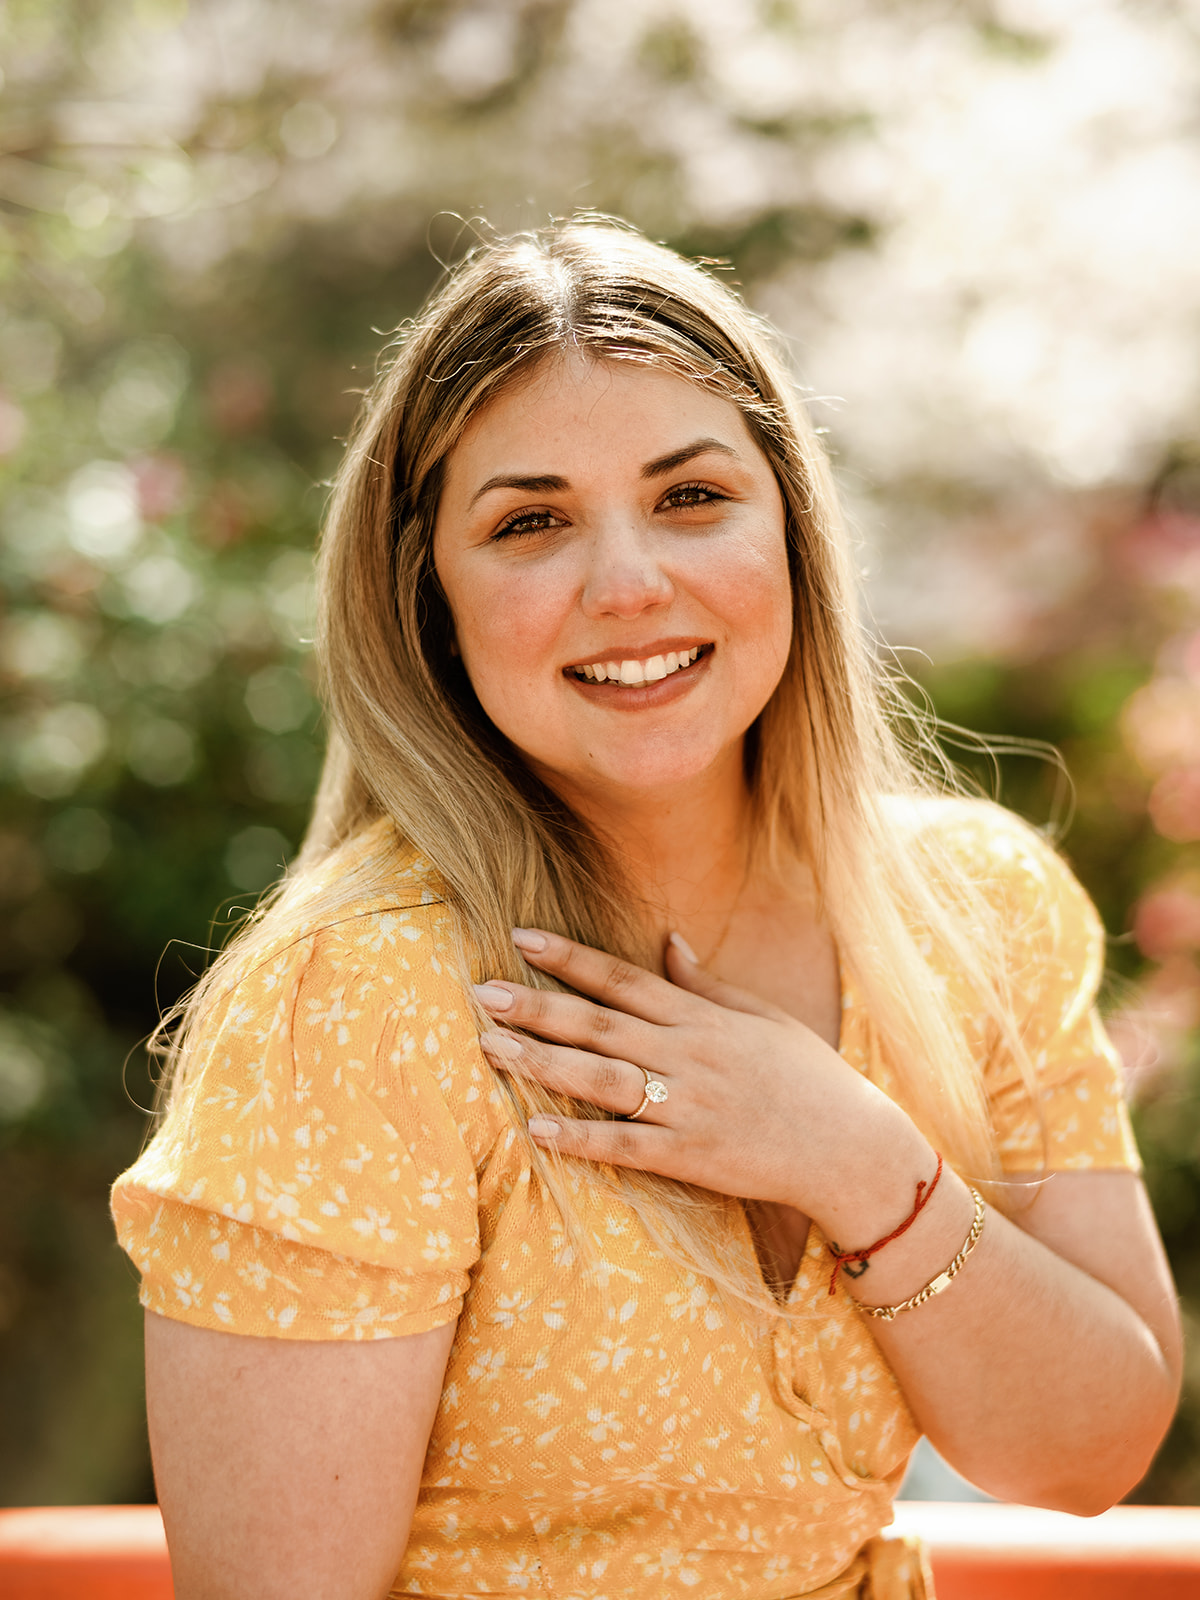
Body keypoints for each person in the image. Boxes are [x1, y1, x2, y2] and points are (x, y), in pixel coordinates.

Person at [111, 221, 1181, 1600]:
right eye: (530, 522)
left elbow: (1091, 1453)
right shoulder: (355, 1003)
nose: (628, 586)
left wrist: (856, 1160)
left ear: (789, 524)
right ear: (429, 597)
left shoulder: (977, 910)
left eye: (690, 498)